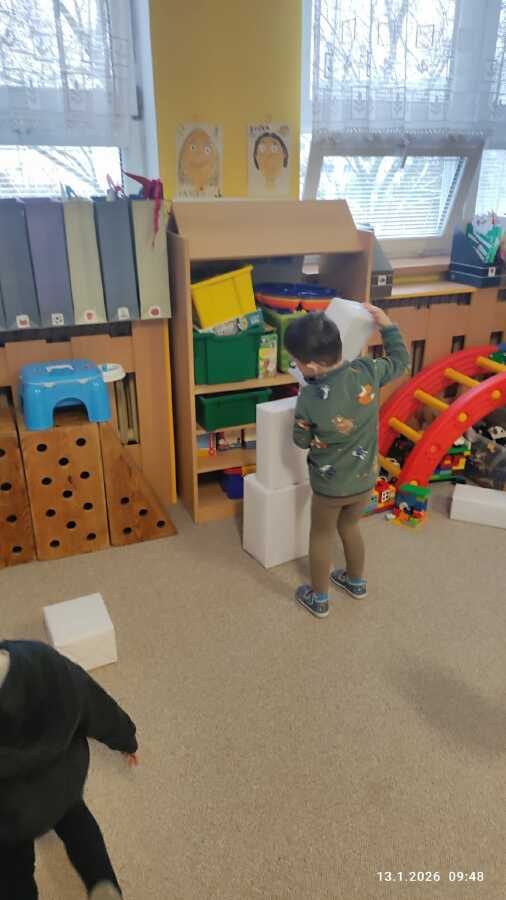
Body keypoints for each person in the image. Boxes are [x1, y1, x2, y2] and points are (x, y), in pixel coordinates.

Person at [284, 304, 409, 618]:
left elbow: (300, 441)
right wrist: (387, 324)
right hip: (365, 478)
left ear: (311, 366)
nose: (296, 366)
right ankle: (355, 582)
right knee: (350, 526)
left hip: (329, 487)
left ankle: (319, 598)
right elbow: (400, 361)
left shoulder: (309, 398)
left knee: (321, 535)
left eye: (296, 362)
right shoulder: (367, 370)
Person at [0, 640, 138, 899]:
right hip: (62, 782)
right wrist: (126, 738)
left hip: (11, 814)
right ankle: (102, 882)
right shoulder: (42, 661)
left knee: (13, 868)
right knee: (79, 828)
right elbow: (94, 702)